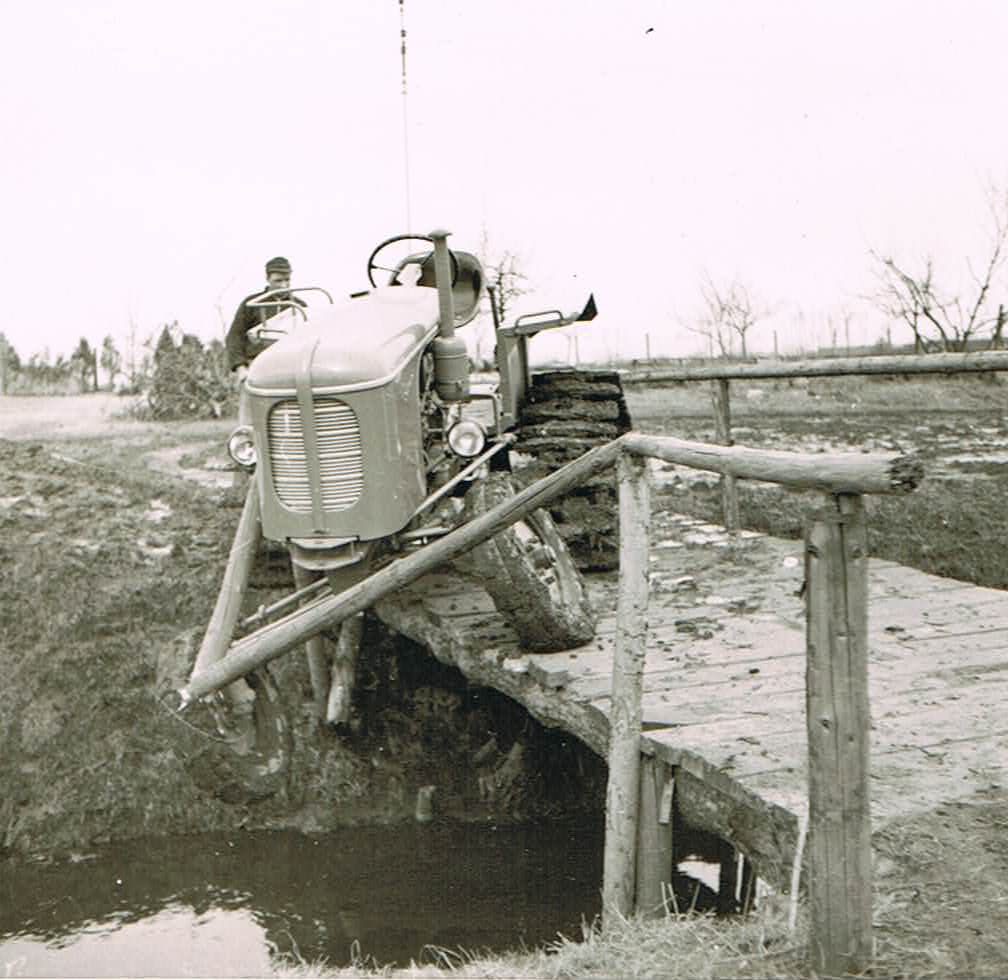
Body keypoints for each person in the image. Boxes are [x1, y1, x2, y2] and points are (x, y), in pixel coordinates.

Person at [226, 256, 307, 422]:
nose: (283, 285)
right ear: (267, 278)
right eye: (278, 281)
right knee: (250, 417)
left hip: (288, 369)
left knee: (290, 417)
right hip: (256, 367)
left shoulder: (299, 306)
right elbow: (234, 336)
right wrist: (240, 367)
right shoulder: (252, 304)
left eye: (287, 280)